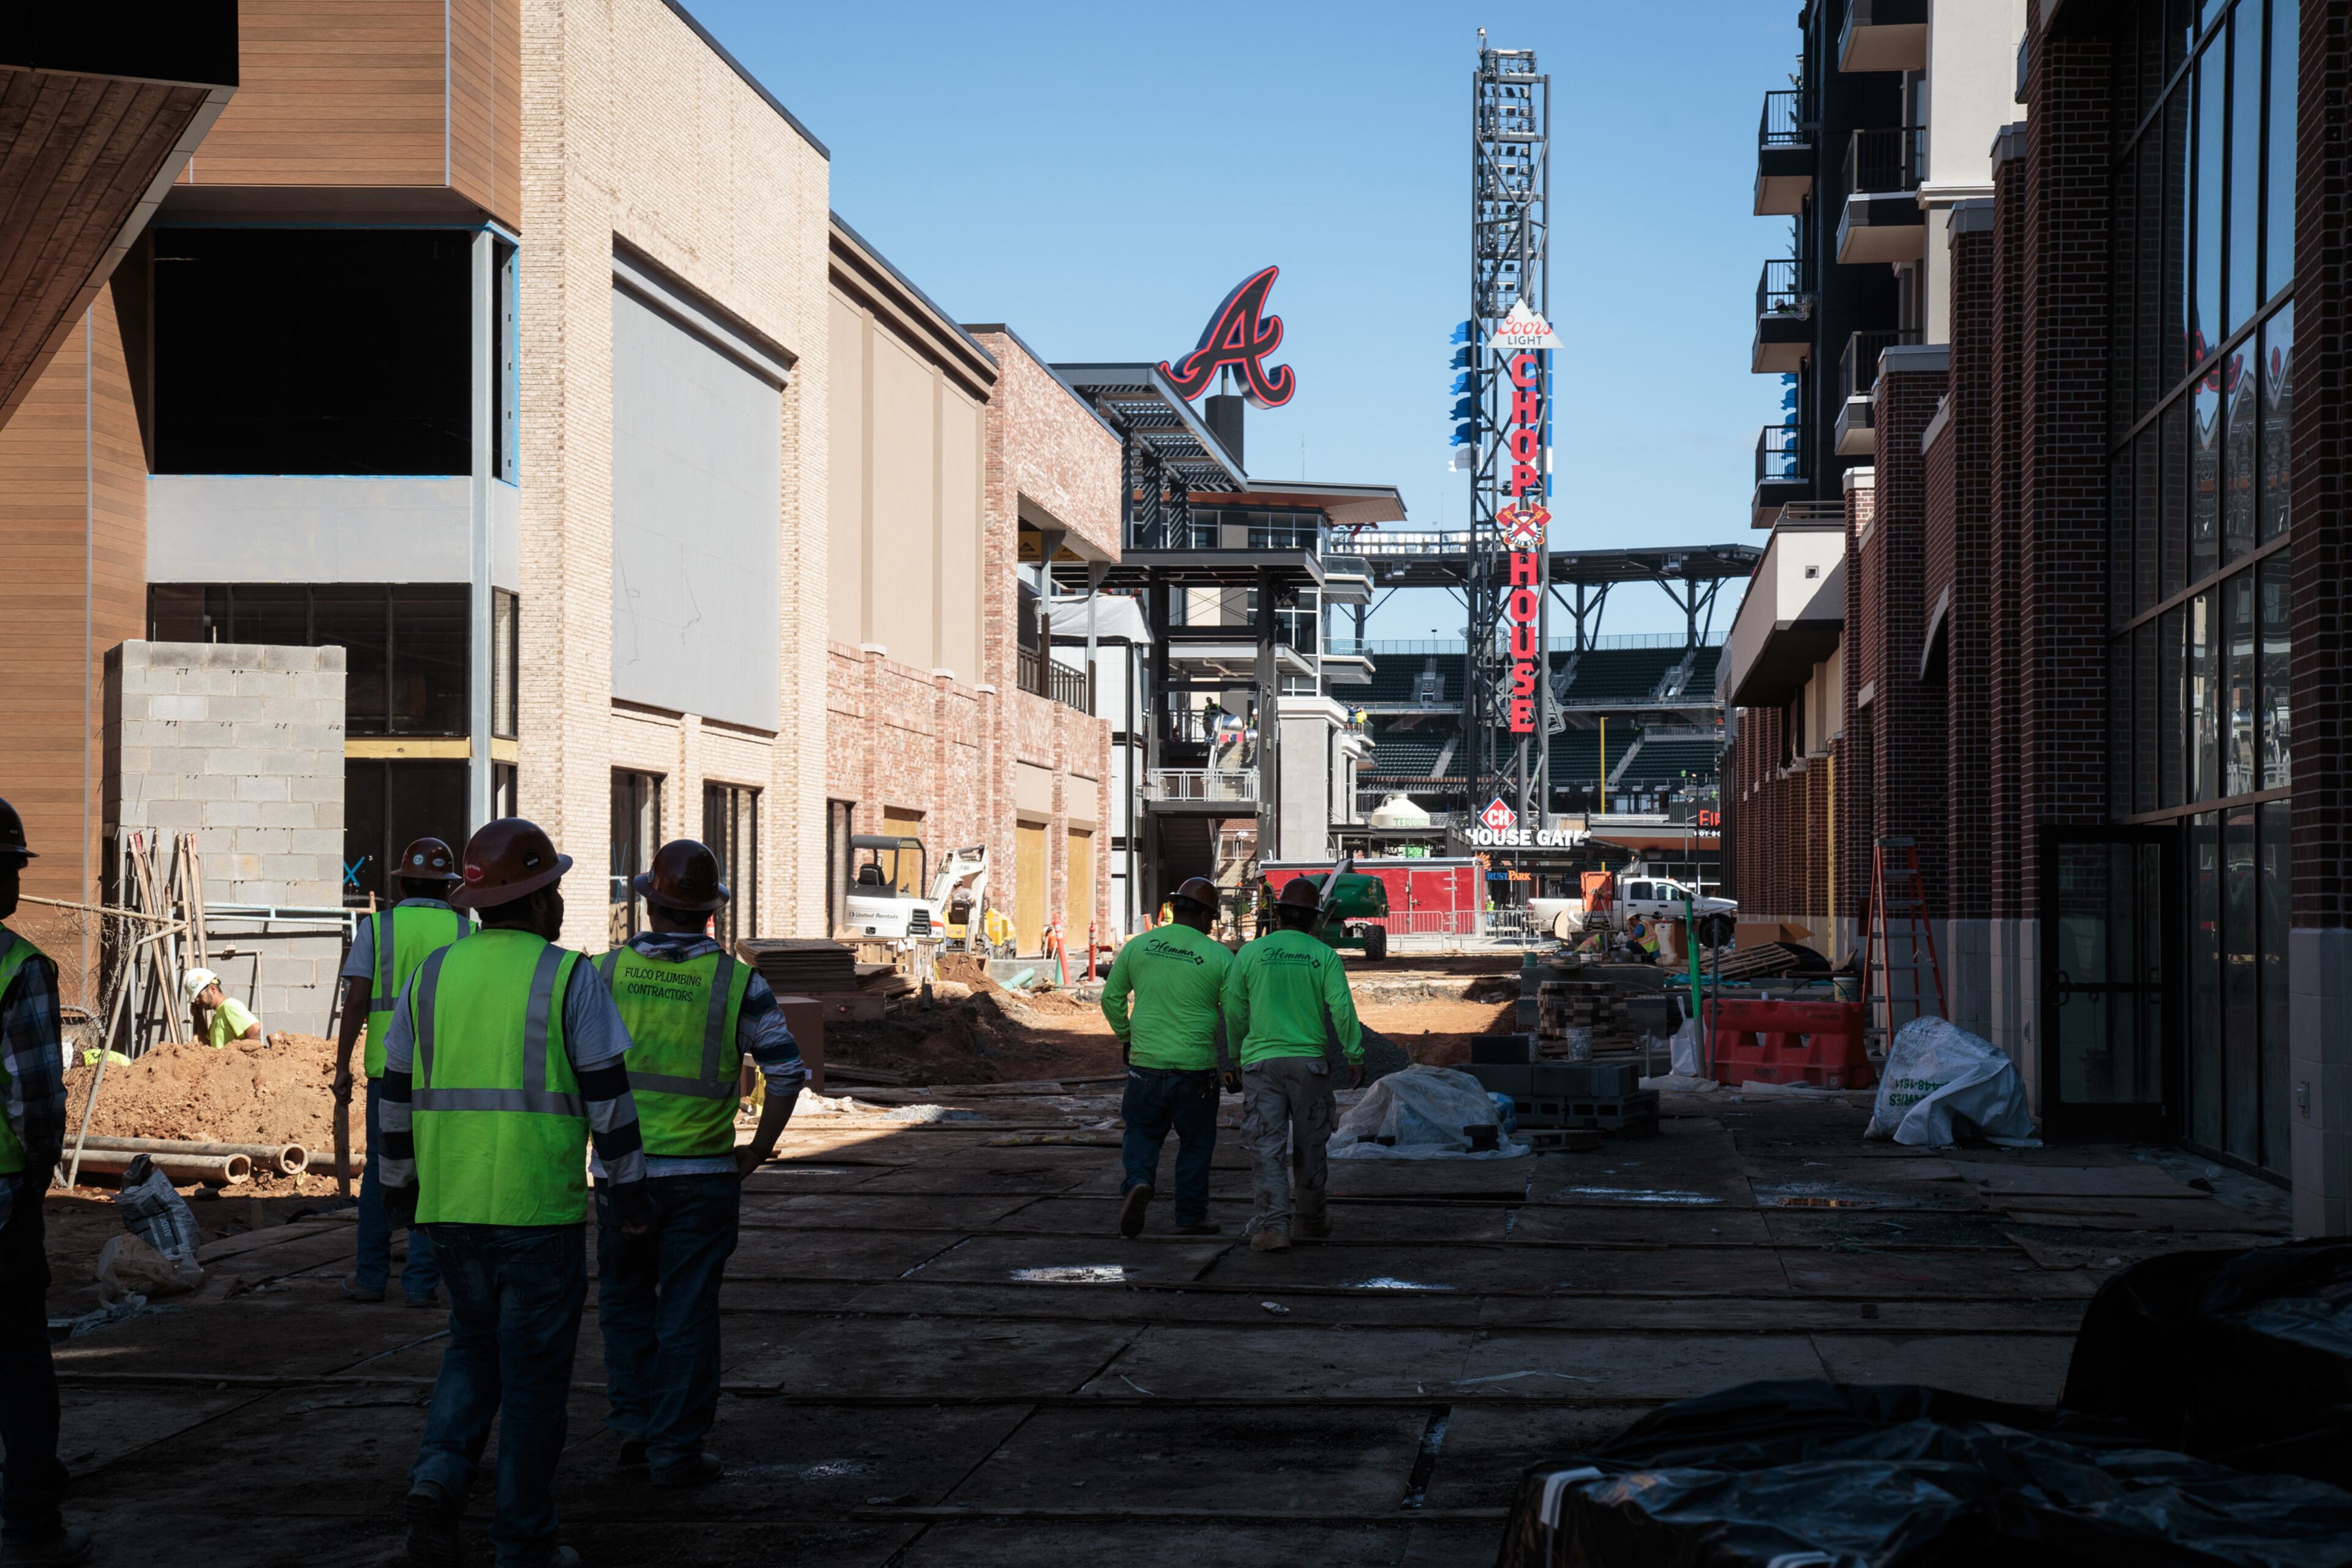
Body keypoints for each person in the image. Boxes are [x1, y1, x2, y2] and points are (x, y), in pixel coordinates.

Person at [377, 818, 653, 1568]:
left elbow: (392, 1098)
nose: (560, 903)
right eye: (554, 888)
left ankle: (437, 1478)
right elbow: (611, 1104)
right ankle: (523, 1539)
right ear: (533, 900)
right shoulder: (569, 977)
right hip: (539, 1214)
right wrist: (630, 1199)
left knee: (472, 1349)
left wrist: (402, 1193)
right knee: (533, 1383)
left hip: (451, 1211)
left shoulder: (429, 977)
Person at [591, 839, 806, 1487]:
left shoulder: (601, 975)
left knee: (625, 1306)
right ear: (712, 911)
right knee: (686, 1312)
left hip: (621, 1177)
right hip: (703, 1179)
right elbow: (789, 1074)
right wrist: (756, 1152)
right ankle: (676, 1450)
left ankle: (634, 1427)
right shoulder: (738, 981)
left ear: (648, 904)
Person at [0, 800, 90, 1565]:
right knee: (20, 1358)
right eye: (8, 865)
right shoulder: (17, 966)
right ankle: (31, 1527)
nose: (15, 880)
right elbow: (35, 1101)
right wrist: (37, 1181)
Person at [333, 837, 469, 1307]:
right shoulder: (464, 931)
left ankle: (371, 1281)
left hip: (388, 1071)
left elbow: (356, 1002)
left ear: (404, 882)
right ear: (448, 887)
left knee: (380, 1174)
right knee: (433, 1174)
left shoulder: (378, 929)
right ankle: (420, 1285)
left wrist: (342, 1064)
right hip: (443, 1074)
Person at [1221, 875, 1365, 1254]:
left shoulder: (1250, 954)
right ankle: (1312, 1221)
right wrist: (1354, 1054)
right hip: (1309, 1066)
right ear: (1315, 919)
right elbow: (1342, 1009)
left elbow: (1235, 1010)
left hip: (1260, 1065)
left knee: (1266, 1147)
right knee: (1311, 1144)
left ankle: (1273, 1228)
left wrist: (1237, 1056)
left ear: (1280, 915)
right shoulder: (1324, 955)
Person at [1099, 876, 1232, 1240]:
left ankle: (1139, 1182)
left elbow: (1111, 999)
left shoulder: (1139, 947)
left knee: (1142, 1132)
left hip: (1146, 1064)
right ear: (1207, 916)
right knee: (1196, 1143)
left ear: (1175, 907)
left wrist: (1127, 1037)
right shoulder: (1220, 956)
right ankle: (1190, 1215)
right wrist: (1233, 1059)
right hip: (1197, 1070)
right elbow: (1236, 1014)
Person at [181, 967, 260, 1046]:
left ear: (212, 989)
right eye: (195, 998)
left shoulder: (230, 1006)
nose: (196, 1001)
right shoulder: (218, 1015)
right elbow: (206, 1045)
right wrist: (199, 1015)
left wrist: (245, 1055)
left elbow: (255, 1028)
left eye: (199, 996)